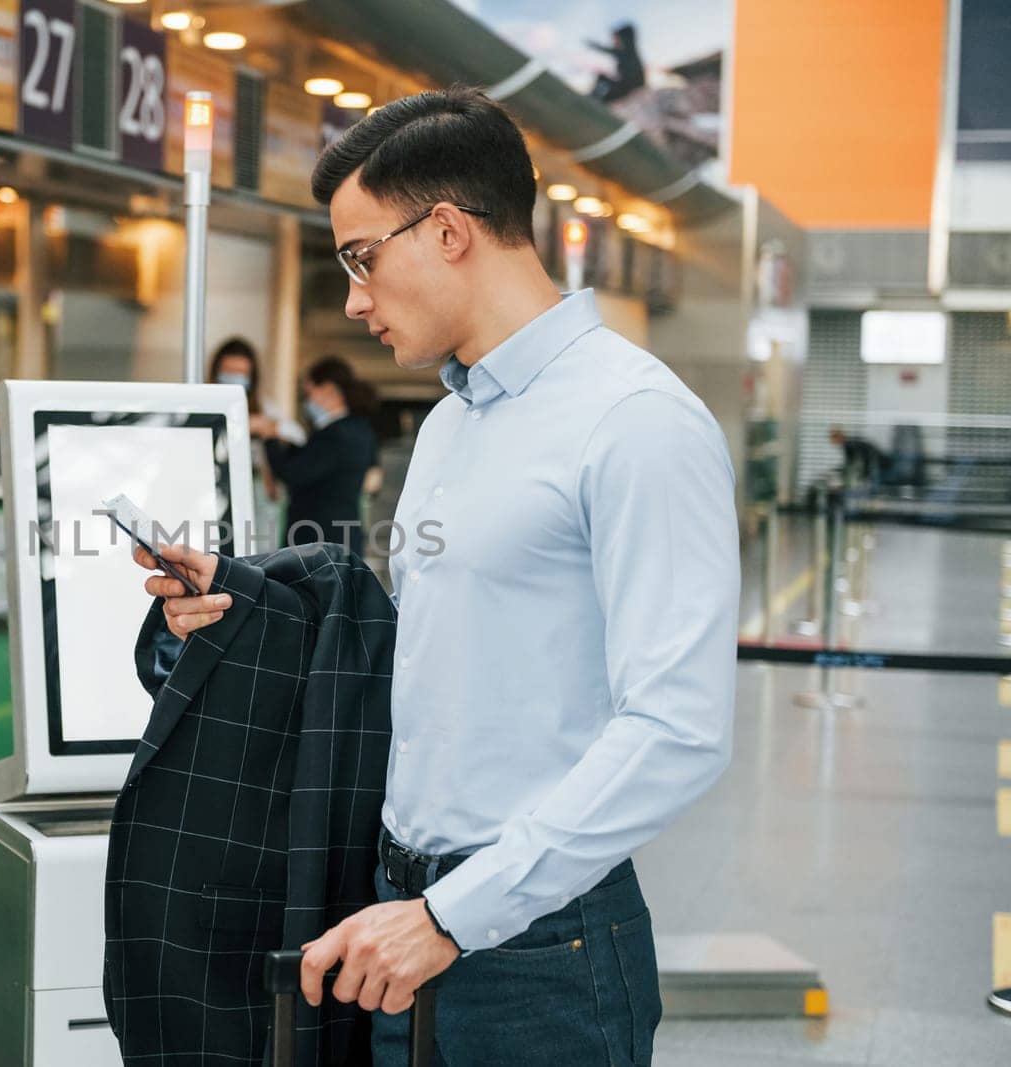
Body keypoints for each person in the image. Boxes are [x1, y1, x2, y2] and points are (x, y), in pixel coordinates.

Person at [133, 87, 738, 1066]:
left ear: (448, 230)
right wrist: (247, 604)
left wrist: (455, 912)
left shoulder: (635, 422)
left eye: (361, 258)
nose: (352, 298)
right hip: (400, 910)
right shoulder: (453, 420)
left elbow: (679, 728)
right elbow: (427, 646)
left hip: (542, 945)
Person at [255, 356, 379, 559]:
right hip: (344, 537)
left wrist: (269, 438)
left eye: (309, 391)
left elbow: (294, 473)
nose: (308, 400)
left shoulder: (335, 434)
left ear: (328, 389)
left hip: (318, 540)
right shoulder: (360, 429)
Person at [210, 337, 305, 548]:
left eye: (241, 373)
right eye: (229, 371)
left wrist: (265, 427)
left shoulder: (262, 407)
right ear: (216, 371)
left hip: (253, 495)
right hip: (212, 493)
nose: (234, 378)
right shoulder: (204, 405)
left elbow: (297, 435)